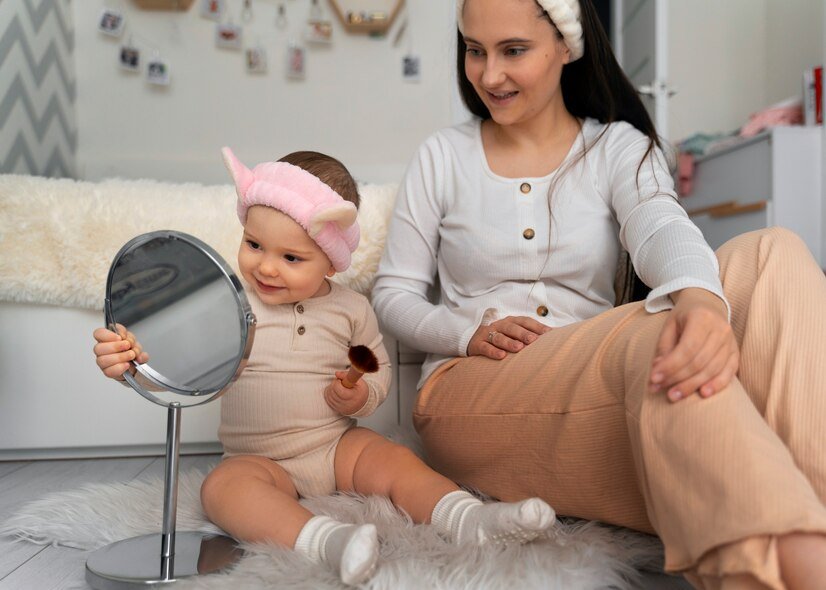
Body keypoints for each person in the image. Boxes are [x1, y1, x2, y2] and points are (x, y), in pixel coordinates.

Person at [371, 0, 826, 588]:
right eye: (474, 50)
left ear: (566, 44)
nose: (487, 75)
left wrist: (701, 299)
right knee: (660, 337)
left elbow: (659, 222)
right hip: (470, 386)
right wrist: (464, 333)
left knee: (773, 254)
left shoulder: (618, 147)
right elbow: (394, 293)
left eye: (513, 51)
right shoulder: (443, 156)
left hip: (598, 377)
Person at [92, 148, 556, 586]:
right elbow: (181, 356)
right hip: (260, 458)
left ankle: (468, 518)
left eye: (291, 257)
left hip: (335, 446)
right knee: (222, 489)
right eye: (254, 244)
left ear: (330, 263)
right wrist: (131, 361)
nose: (266, 268)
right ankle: (327, 541)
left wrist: (361, 395)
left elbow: (376, 370)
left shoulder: (350, 308)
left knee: (393, 459)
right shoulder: (228, 303)